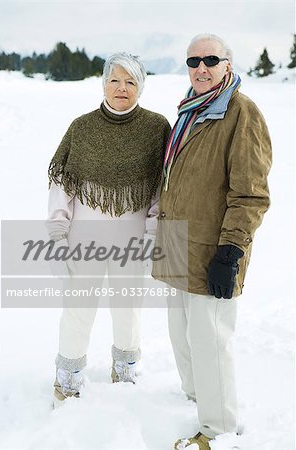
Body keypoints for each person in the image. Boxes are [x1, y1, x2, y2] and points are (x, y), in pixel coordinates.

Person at [152, 34, 272, 449]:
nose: (201, 67)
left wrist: (231, 250)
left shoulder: (241, 114)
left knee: (210, 341)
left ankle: (217, 428)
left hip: (211, 249)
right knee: (181, 335)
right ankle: (199, 397)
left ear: (227, 64)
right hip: (176, 242)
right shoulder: (189, 109)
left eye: (210, 60)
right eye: (193, 60)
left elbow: (251, 193)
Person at [46, 52, 171, 406]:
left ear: (140, 87)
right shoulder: (82, 128)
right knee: (77, 308)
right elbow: (61, 184)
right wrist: (57, 236)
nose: (122, 88)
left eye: (131, 82)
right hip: (82, 240)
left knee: (128, 307)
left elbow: (162, 188)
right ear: (103, 83)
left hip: (133, 241)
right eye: (115, 80)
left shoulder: (156, 128)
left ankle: (126, 368)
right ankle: (68, 376)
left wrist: (152, 238)